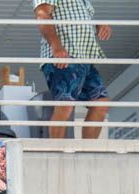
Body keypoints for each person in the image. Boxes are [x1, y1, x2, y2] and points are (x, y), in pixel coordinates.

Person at [34, 0, 111, 139]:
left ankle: (86, 150)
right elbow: (42, 13)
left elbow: (77, 18)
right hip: (64, 56)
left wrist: (97, 25)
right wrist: (56, 46)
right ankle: (56, 150)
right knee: (65, 104)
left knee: (101, 104)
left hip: (85, 59)